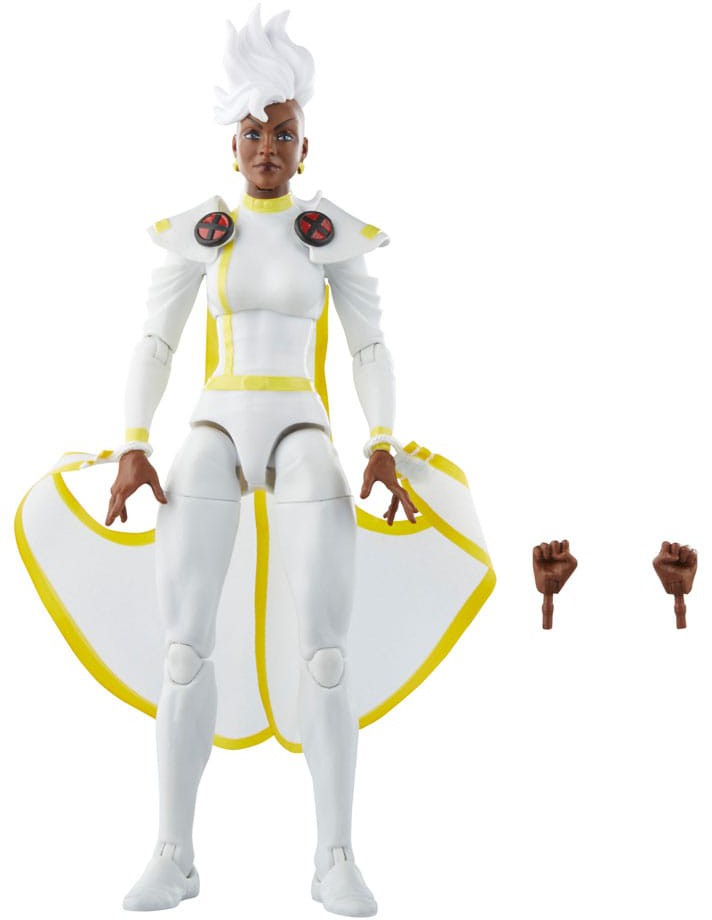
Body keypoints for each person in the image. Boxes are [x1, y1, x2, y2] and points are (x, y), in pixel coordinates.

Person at [112, 8, 415, 917]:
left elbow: (369, 347)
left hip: (302, 428)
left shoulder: (328, 234)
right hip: (214, 424)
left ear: (304, 145)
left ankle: (335, 855)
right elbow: (156, 342)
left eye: (283, 133)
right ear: (233, 142)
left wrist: (383, 443)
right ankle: (173, 852)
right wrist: (132, 442)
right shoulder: (205, 231)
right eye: (254, 133)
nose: (267, 148)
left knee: (325, 654)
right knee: (182, 649)